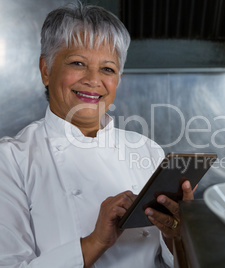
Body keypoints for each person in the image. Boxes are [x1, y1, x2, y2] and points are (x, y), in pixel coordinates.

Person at [0, 2, 194, 267]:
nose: (93, 80)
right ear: (46, 69)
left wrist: (177, 235)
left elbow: (171, 260)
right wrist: (96, 241)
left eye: (107, 69)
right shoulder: (11, 159)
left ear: (119, 79)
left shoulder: (147, 150)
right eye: (78, 63)